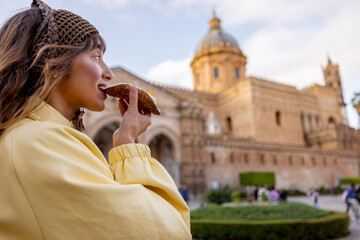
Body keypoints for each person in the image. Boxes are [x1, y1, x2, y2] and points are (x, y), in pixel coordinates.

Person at [0, 1, 191, 239]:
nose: (109, 73)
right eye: (96, 56)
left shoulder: (45, 138)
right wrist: (128, 146)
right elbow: (170, 232)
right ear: (55, 62)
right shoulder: (37, 143)